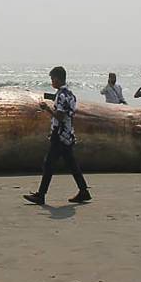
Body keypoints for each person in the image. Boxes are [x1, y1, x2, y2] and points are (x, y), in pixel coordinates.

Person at [24, 66, 91, 205]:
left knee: (49, 164)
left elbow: (60, 116)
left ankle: (41, 195)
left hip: (59, 134)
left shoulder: (61, 95)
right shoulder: (70, 94)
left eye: (52, 79)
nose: (51, 81)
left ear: (57, 78)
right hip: (68, 134)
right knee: (71, 164)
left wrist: (46, 108)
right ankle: (84, 191)